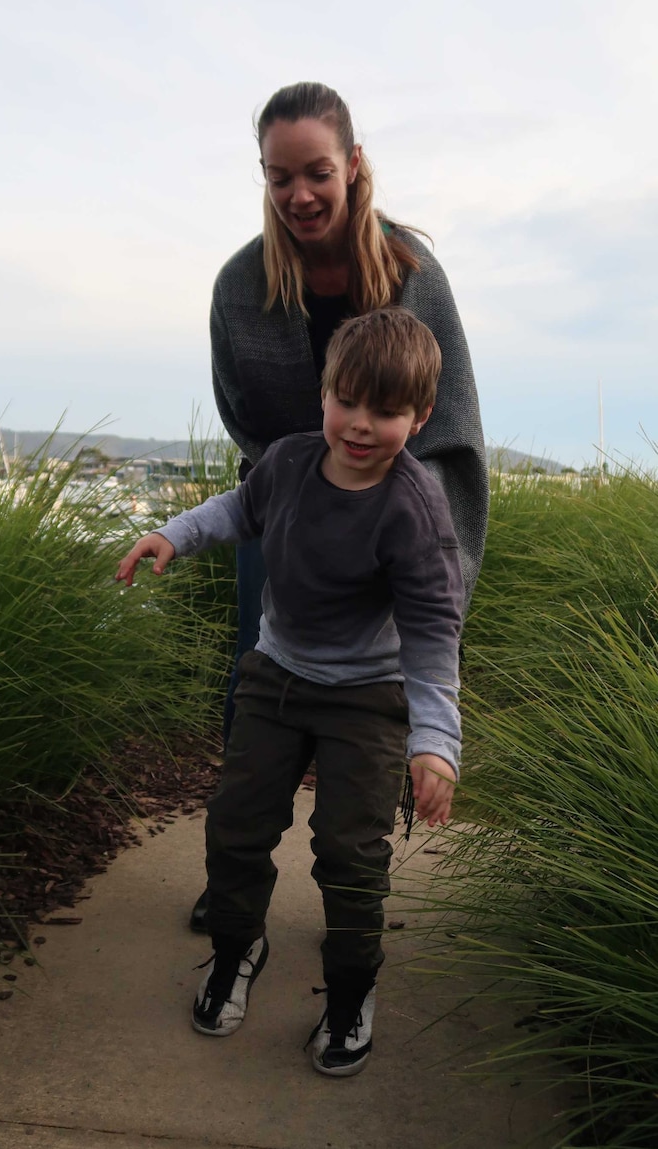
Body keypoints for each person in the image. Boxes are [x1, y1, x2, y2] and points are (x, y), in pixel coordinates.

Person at [117, 307, 464, 1077]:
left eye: (387, 410)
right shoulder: (287, 461)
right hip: (277, 673)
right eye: (349, 401)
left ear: (422, 415)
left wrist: (435, 743)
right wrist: (173, 533)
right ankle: (237, 950)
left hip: (367, 693)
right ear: (325, 392)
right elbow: (238, 509)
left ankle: (349, 992)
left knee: (350, 852)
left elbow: (435, 636)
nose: (362, 425)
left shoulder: (414, 508)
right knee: (236, 826)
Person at [189, 79, 488, 933]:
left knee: (378, 694)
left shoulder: (413, 275)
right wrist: (301, 481)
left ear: (354, 165)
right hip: (285, 505)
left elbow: (451, 415)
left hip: (395, 516)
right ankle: (234, 868)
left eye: (316, 171)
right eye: (278, 177)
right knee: (256, 680)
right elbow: (240, 408)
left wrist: (400, 524)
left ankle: (358, 864)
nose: (299, 195)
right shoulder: (240, 284)